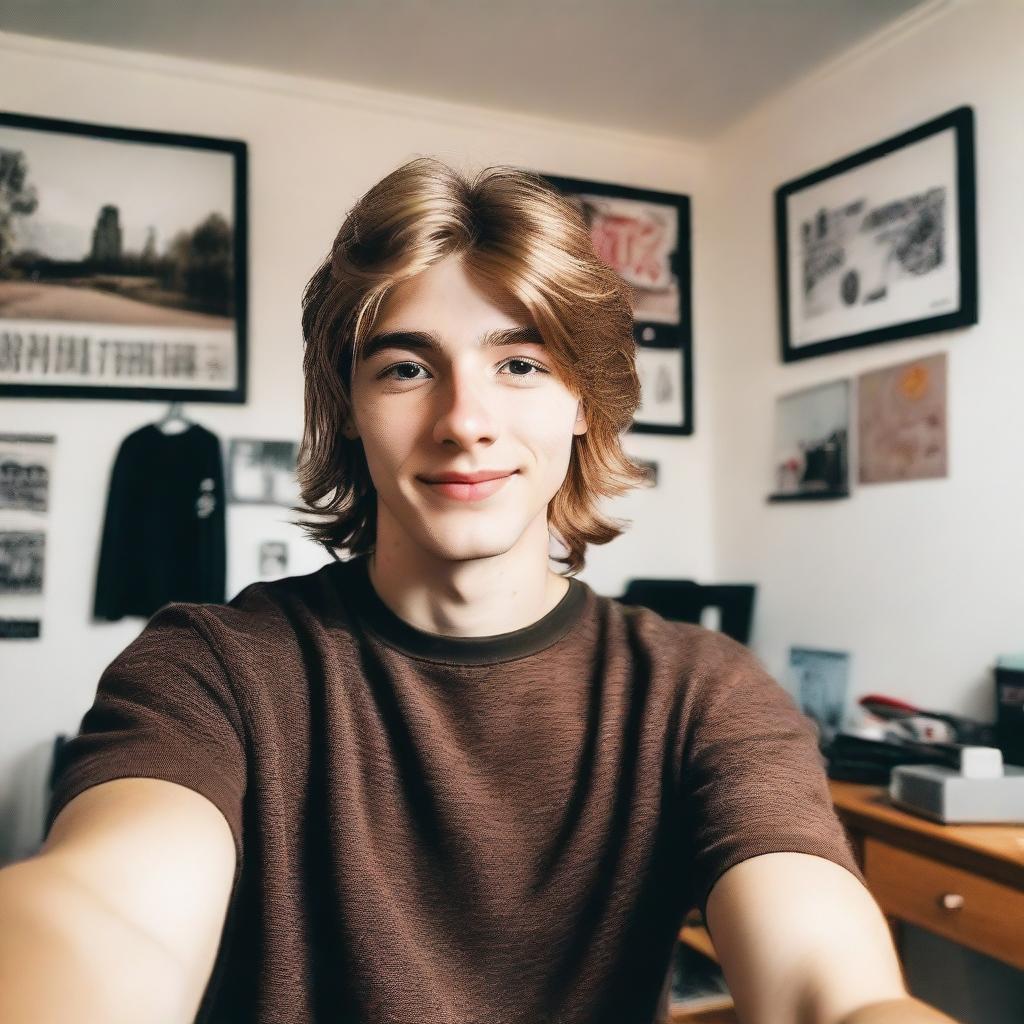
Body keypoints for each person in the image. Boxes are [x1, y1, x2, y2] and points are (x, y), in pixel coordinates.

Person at [0, 158, 956, 1024]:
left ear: (584, 402)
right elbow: (105, 912)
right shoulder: (213, 666)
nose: (466, 421)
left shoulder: (704, 693)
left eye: (521, 365)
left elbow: (831, 988)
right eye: (409, 367)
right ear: (352, 409)